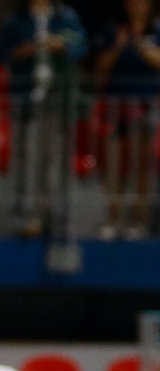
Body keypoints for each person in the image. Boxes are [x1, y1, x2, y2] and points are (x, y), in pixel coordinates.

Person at [0, 0, 87, 237]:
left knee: (53, 158)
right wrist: (23, 51)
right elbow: (5, 51)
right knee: (24, 158)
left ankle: (51, 216)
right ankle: (24, 215)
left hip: (57, 99)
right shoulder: (16, 21)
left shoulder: (66, 16)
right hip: (25, 99)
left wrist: (60, 45)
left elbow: (80, 46)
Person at [94, 0, 160, 240]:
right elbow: (101, 66)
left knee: (142, 165)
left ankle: (139, 221)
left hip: (146, 105)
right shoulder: (113, 30)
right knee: (113, 165)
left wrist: (139, 42)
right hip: (116, 105)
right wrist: (119, 46)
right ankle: (113, 219)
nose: (136, 5)